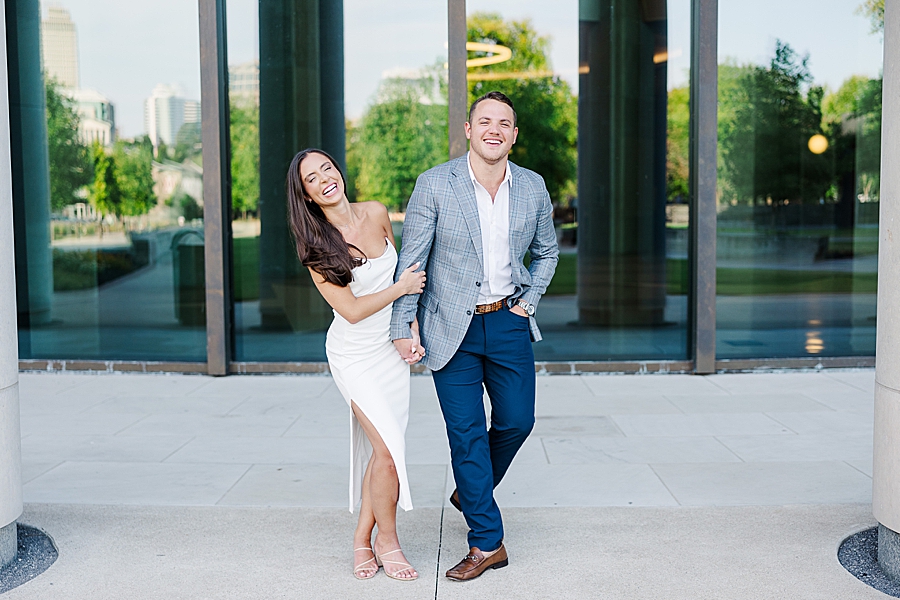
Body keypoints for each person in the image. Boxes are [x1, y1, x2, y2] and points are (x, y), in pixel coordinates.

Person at [391, 91, 559, 581]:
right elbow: (412, 260)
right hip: (450, 328)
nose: (494, 130)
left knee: (517, 421)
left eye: (504, 123)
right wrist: (402, 325)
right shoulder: (435, 184)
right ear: (468, 129)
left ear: (513, 134)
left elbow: (547, 252)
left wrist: (529, 302)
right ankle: (487, 542)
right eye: (485, 121)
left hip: (507, 320)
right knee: (465, 436)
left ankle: (472, 490)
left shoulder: (532, 187)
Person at [287, 148, 427, 581]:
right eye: (312, 178)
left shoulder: (376, 212)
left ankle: (361, 541)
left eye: (326, 168)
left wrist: (411, 329)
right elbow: (350, 310)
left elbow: (402, 283)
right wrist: (402, 285)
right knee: (388, 453)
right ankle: (388, 541)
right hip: (354, 356)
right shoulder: (315, 247)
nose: (325, 178)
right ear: (307, 195)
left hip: (390, 351)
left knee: (382, 452)